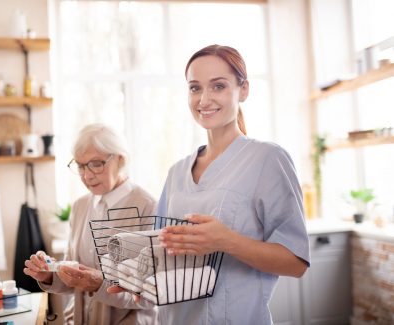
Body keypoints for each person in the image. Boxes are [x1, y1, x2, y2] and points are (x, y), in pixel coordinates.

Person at [155, 45, 310, 324]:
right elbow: (159, 252)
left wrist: (226, 241)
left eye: (218, 86)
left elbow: (295, 262)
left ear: (244, 90)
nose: (204, 99)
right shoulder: (176, 172)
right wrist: (126, 281)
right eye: (194, 88)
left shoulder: (268, 159)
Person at [24, 123, 157, 325]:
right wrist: (48, 275)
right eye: (80, 165)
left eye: (96, 164)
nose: (86, 175)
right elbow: (71, 277)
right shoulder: (80, 206)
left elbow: (150, 292)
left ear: (120, 159)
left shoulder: (147, 207)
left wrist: (99, 284)